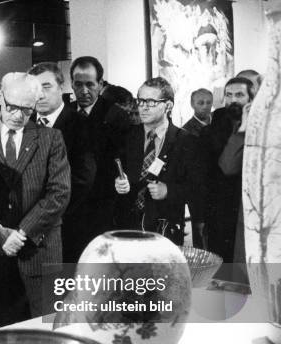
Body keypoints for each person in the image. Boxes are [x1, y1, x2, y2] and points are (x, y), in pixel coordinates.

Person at [0, 72, 71, 326]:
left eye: (27, 109)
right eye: (12, 107)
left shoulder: (51, 138)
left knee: (48, 329)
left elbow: (59, 193)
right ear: (0, 98)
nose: (18, 115)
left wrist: (21, 233)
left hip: (40, 250)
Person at [28, 62, 97, 262]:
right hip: (27, 230)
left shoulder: (82, 125)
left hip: (67, 227)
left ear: (61, 88)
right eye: (34, 89)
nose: (39, 94)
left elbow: (83, 179)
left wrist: (44, 214)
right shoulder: (24, 125)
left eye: (46, 86)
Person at [114, 77, 196, 245]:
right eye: (140, 101)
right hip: (127, 226)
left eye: (150, 102)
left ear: (168, 106)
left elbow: (198, 188)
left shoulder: (185, 141)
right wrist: (117, 183)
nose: (143, 107)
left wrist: (169, 191)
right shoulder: (127, 136)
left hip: (164, 229)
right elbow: (113, 173)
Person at [201, 77, 254, 280]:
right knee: (223, 271)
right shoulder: (213, 128)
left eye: (239, 95)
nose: (233, 100)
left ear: (251, 98)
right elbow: (227, 166)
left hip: (247, 209)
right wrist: (242, 130)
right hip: (221, 209)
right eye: (229, 95)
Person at [68, 56, 117, 241]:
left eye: (90, 84)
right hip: (71, 208)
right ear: (71, 84)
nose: (84, 91)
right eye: (78, 84)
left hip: (101, 210)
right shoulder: (66, 112)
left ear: (100, 83)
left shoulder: (115, 115)